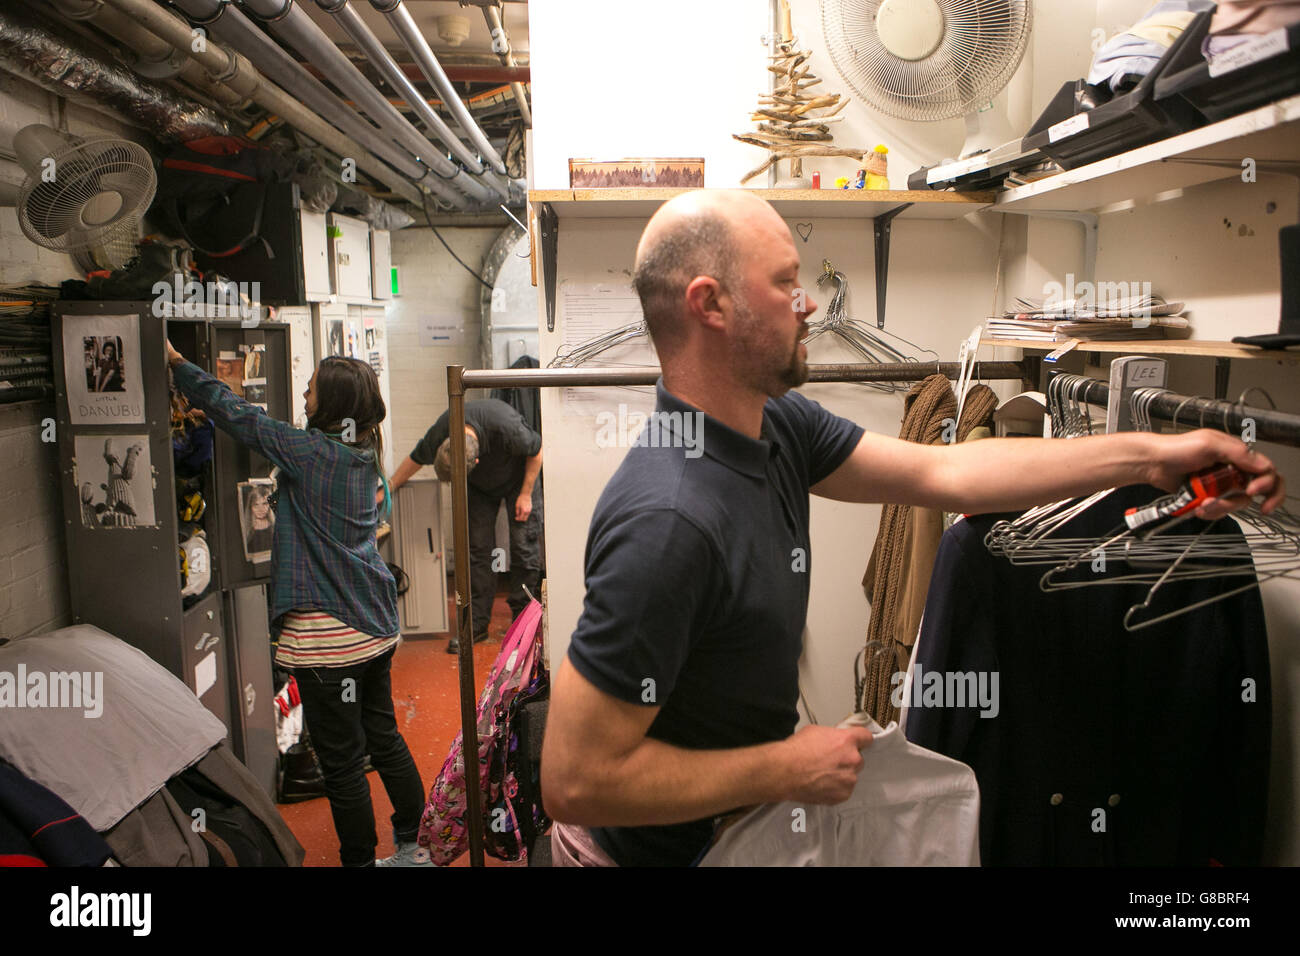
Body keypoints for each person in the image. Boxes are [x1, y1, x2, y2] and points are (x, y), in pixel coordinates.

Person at [539, 189, 1286, 867]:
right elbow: (576, 783)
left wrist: (1153, 457)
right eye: (784, 283)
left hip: (737, 828)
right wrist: (787, 766)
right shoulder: (669, 522)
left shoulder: (774, 428)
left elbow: (947, 474)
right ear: (711, 305)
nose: (807, 305)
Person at [167, 342, 431, 867]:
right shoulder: (361, 451)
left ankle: (359, 860)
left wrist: (177, 365)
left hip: (330, 640)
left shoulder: (312, 454)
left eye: (311, 387)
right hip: (374, 627)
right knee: (384, 736)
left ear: (329, 403)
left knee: (342, 764)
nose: (304, 392)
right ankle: (412, 845)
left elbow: (240, 416)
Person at [388, 399, 543, 653]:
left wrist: (526, 493)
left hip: (519, 481)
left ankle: (523, 626)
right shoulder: (441, 430)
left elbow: (536, 452)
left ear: (476, 461)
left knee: (523, 548)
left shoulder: (507, 426)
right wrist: (388, 487)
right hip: (480, 489)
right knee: (478, 551)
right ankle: (477, 625)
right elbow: (415, 459)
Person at [244, 484, 275, 555]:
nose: (260, 509)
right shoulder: (247, 528)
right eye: (256, 505)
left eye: (264, 504)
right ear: (250, 507)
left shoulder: (276, 526)